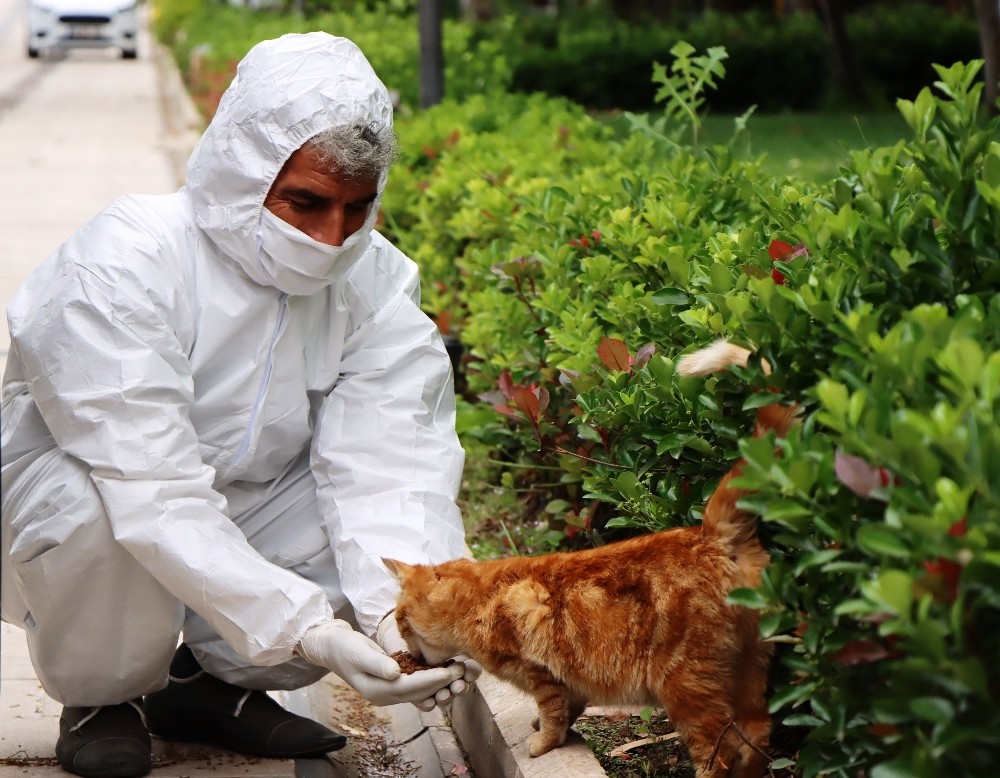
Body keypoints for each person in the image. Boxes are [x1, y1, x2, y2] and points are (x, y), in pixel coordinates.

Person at [0, 32, 479, 778]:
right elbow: (151, 487)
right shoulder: (120, 263)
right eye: (306, 204)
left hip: (236, 503)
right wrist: (308, 630)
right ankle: (103, 697)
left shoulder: (373, 283)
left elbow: (392, 462)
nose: (331, 238)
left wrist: (407, 621)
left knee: (377, 546)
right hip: (93, 506)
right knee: (90, 504)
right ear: (240, 170)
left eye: (356, 209)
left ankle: (206, 685)